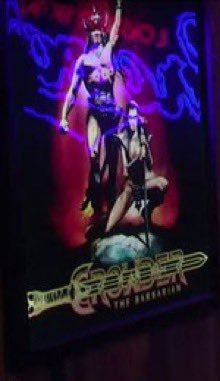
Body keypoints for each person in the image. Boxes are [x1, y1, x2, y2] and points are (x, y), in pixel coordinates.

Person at [59, 0, 124, 236]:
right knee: (94, 155)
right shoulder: (84, 61)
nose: (97, 33)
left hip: (112, 112)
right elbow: (72, 90)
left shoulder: (109, 51)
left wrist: (118, 6)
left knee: (114, 160)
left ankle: (112, 205)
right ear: (89, 34)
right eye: (93, 31)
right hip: (95, 111)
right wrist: (64, 117)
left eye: (99, 30)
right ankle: (96, 202)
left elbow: (116, 27)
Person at [106, 101, 169, 235]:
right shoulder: (123, 138)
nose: (132, 122)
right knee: (110, 225)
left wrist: (146, 148)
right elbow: (125, 171)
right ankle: (106, 230)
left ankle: (147, 211)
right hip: (132, 185)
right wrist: (135, 163)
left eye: (135, 118)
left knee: (163, 183)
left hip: (145, 182)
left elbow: (150, 165)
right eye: (130, 118)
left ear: (138, 118)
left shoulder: (143, 135)